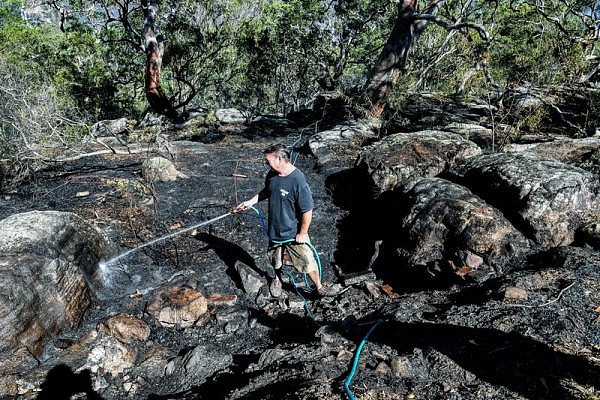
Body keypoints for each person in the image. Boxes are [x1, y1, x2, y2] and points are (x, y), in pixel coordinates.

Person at [234, 143, 324, 297]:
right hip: (275, 229)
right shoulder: (272, 175)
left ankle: (319, 287)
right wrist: (250, 202)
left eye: (268, 161)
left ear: (280, 159)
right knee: (275, 259)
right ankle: (278, 279)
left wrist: (303, 232)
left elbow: (307, 210)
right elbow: (266, 191)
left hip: (293, 232)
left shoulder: (298, 180)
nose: (266, 164)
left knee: (307, 260)